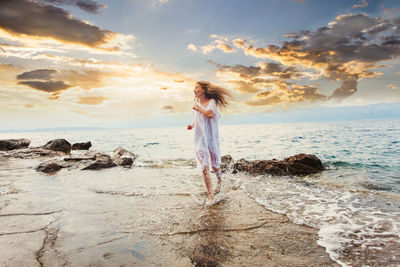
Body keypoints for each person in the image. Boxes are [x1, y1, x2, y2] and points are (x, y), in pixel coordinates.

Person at [187, 81, 231, 203]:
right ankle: (211, 196)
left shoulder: (211, 102)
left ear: (204, 90)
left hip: (210, 137)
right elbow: (198, 118)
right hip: (199, 137)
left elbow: (210, 115)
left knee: (214, 165)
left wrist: (198, 108)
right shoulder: (198, 103)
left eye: (197, 88)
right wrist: (192, 125)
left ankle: (219, 180)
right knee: (204, 166)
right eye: (194, 88)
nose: (194, 90)